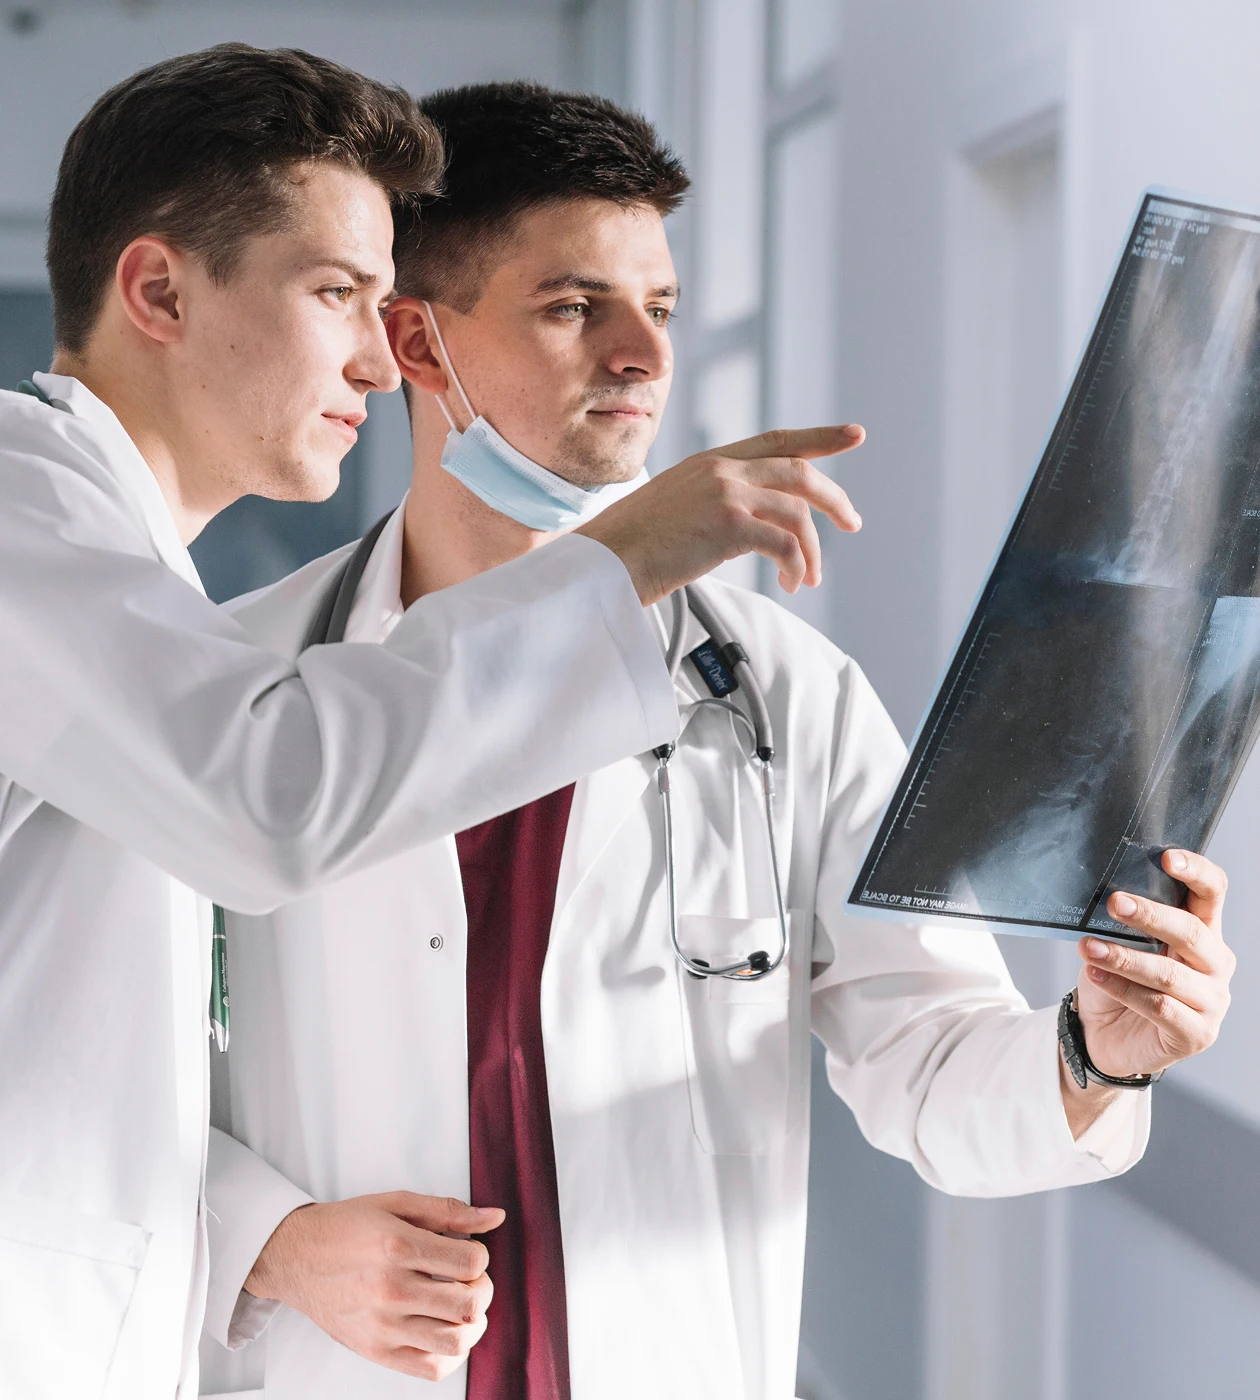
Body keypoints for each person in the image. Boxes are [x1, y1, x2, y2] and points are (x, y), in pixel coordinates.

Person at [200, 83, 1236, 1400]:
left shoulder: (783, 695)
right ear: (416, 340)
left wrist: (1098, 1051)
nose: (643, 356)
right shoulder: (237, 682)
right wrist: (272, 1244)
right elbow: (82, 1060)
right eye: (574, 306)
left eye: (663, 308)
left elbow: (928, 1059)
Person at [0, 51, 863, 1400]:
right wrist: (625, 555)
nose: (372, 351)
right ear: (159, 291)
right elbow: (269, 798)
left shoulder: (130, 586)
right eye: (336, 293)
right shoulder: (21, 516)